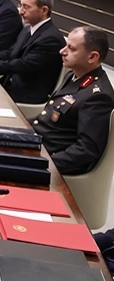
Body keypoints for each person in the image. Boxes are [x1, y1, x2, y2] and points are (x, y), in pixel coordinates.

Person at [32, 26, 114, 176]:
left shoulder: (97, 96)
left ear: (92, 57)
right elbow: (47, 119)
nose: (62, 51)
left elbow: (86, 149)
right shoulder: (73, 75)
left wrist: (43, 163)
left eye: (72, 48)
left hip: (52, 162)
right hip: (38, 145)